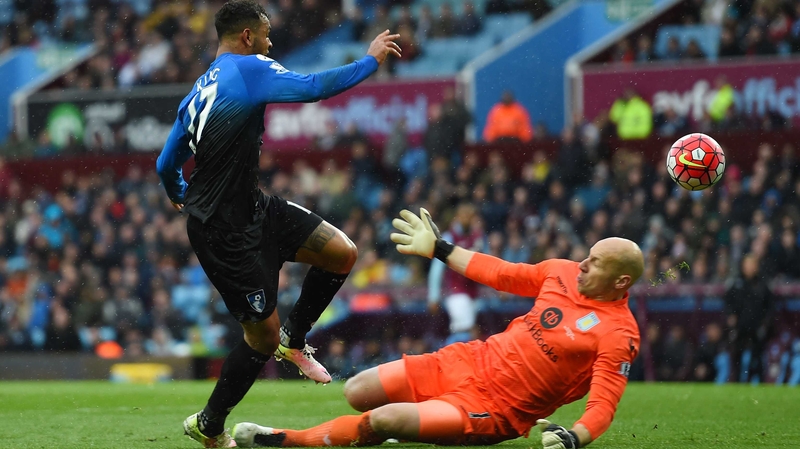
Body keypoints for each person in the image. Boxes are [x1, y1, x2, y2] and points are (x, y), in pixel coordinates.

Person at [155, 1, 401, 447]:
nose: (271, 43)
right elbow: (313, 87)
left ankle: (296, 337)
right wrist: (370, 60)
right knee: (259, 336)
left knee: (341, 252)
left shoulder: (196, 92)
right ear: (247, 36)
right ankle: (208, 425)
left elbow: (165, 161)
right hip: (222, 232)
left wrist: (178, 193)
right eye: (266, 35)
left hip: (253, 208)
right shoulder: (250, 68)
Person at [230, 208, 643, 448]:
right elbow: (501, 273)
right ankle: (413, 419)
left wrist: (575, 438)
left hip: (498, 409)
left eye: (596, 264)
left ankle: (287, 440)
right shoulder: (562, 272)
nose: (583, 264)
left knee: (387, 420)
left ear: (621, 281)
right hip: (470, 360)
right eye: (588, 256)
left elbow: (604, 405)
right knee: (358, 392)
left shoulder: (617, 334)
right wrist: (440, 249)